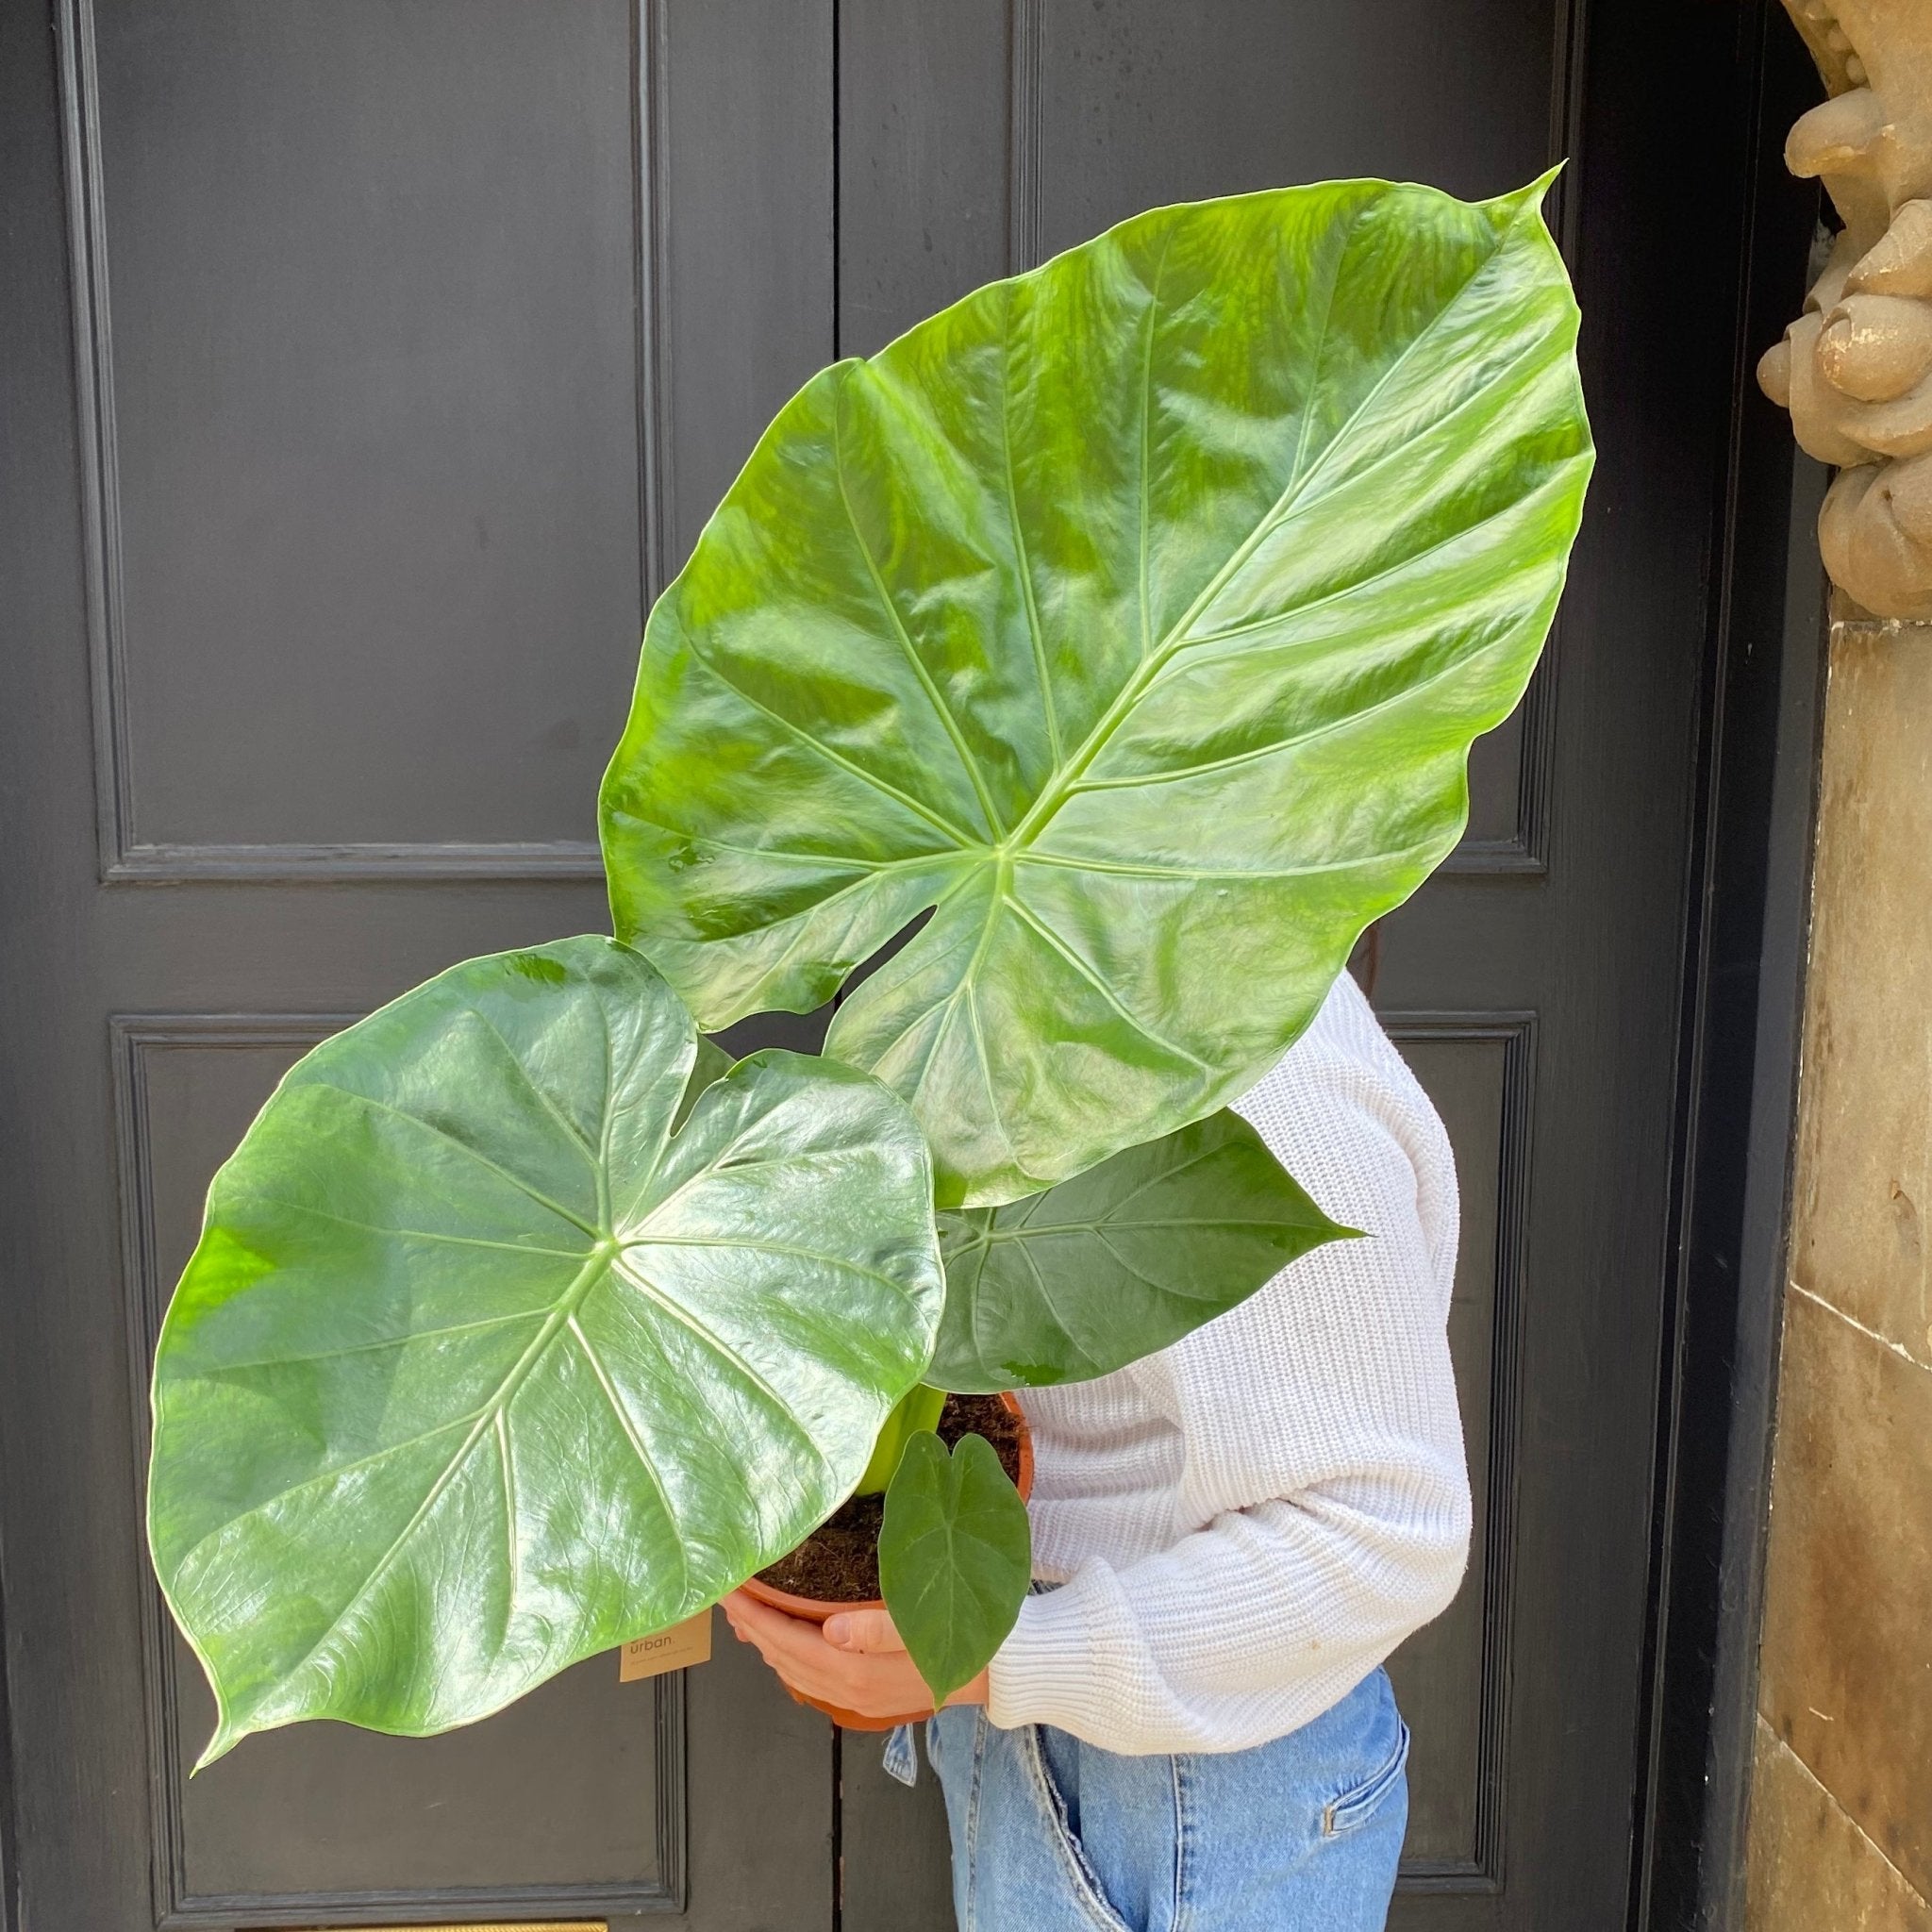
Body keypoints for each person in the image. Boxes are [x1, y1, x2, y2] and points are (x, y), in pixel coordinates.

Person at [724, 965, 1470, 1931]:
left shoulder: (1241, 1031)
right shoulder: (993, 983)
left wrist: (1010, 1657)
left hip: (1195, 1793)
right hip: (1058, 1727)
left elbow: (1383, 1531)